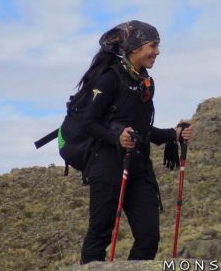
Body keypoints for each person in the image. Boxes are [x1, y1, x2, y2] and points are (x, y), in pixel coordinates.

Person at [78, 20, 193, 263]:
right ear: (135, 47)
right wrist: (116, 137)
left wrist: (174, 134)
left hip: (139, 167)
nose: (157, 52)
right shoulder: (109, 79)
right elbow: (88, 122)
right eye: (153, 45)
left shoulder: (145, 81)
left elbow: (142, 130)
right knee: (100, 235)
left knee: (149, 237)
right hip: (107, 165)